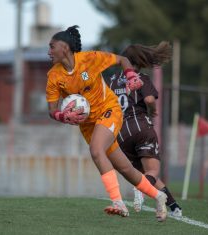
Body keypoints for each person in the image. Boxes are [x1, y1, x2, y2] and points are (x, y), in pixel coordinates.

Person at [45, 25, 168, 222]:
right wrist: (62, 116)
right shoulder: (53, 76)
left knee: (96, 150)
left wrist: (130, 75)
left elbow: (122, 59)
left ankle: (118, 203)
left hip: (108, 110)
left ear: (64, 47)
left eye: (52, 47)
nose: (49, 51)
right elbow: (52, 110)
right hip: (87, 124)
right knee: (126, 168)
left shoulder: (89, 59)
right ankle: (158, 196)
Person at [106, 42, 182, 218]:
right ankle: (140, 190)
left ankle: (174, 207)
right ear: (140, 60)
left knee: (145, 174)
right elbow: (148, 99)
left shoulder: (110, 81)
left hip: (120, 133)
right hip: (140, 127)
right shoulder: (141, 78)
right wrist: (154, 110)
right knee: (153, 172)